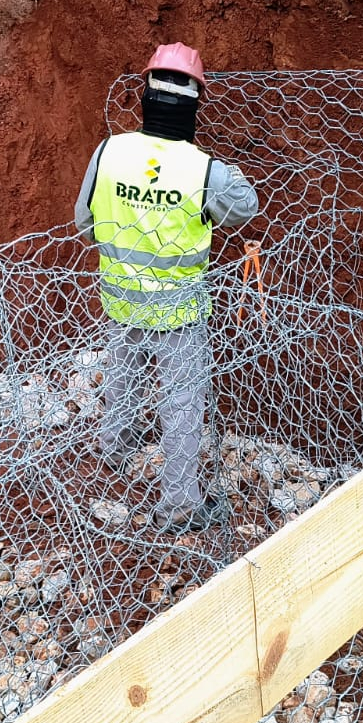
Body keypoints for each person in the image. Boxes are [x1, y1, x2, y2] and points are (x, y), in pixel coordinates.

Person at [72, 43, 260, 532]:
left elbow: (83, 222)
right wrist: (227, 171)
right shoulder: (204, 170)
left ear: (145, 96)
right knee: (181, 403)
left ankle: (114, 448)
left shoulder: (109, 151)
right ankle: (178, 506)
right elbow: (246, 208)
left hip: (120, 296)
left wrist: (123, 247)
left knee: (122, 371)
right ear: (195, 103)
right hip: (178, 310)